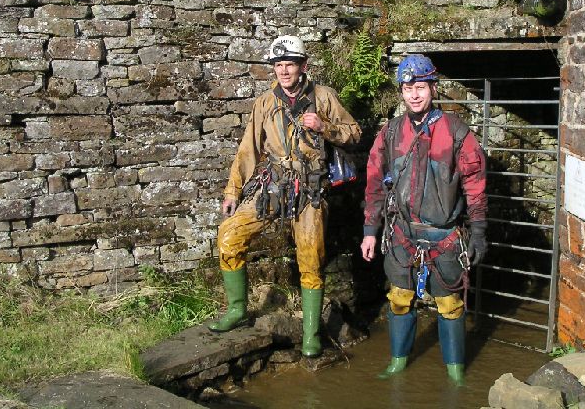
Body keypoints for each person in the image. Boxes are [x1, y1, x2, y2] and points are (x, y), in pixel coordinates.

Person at [209, 34, 362, 358]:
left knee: (310, 260)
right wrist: (232, 191)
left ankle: (310, 336)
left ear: (303, 66)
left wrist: (325, 127)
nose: (283, 71)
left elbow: (355, 133)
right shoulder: (265, 103)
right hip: (272, 186)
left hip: (309, 191)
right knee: (229, 235)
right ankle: (237, 310)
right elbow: (247, 150)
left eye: (289, 64)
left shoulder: (324, 97)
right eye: (278, 65)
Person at [360, 54, 488, 384]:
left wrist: (478, 232)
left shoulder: (458, 133)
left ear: (433, 88)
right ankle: (399, 361)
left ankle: (456, 372)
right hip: (401, 233)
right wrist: (370, 230)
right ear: (401, 92)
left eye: (420, 87)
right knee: (400, 300)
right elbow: (375, 181)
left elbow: (475, 185)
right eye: (407, 88)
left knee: (449, 303)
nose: (414, 94)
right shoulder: (390, 134)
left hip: (444, 236)